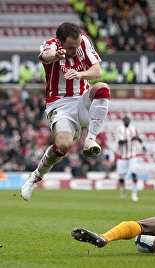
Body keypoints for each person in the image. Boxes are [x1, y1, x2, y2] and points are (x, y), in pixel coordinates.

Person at [21, 22, 110, 201]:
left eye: (77, 46)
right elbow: (45, 56)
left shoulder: (83, 41)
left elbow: (97, 71)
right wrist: (56, 55)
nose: (75, 50)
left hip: (81, 99)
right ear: (60, 42)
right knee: (64, 145)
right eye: (71, 47)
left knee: (102, 87)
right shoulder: (50, 45)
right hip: (59, 104)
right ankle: (36, 176)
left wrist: (79, 75)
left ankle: (90, 139)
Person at [115, 115, 146, 201]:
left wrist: (143, 146)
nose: (126, 121)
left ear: (130, 120)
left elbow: (140, 138)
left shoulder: (135, 129)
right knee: (121, 177)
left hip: (133, 156)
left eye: (128, 119)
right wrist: (132, 138)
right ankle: (124, 189)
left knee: (134, 174)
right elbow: (120, 141)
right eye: (125, 119)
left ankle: (134, 193)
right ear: (123, 120)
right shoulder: (119, 129)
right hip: (122, 157)